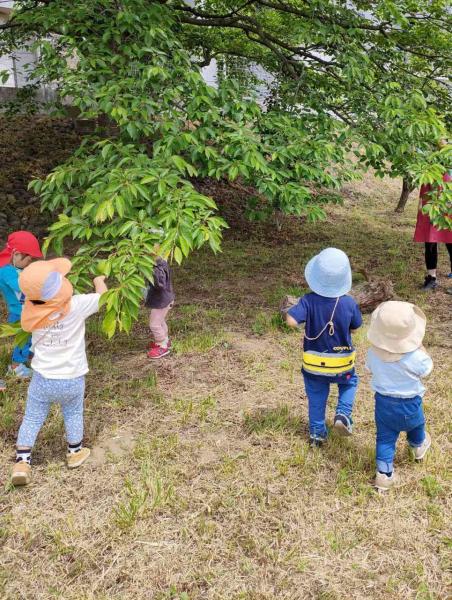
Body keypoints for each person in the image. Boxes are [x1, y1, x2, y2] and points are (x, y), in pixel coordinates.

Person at [11, 257, 107, 486]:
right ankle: (75, 452)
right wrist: (99, 280)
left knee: (32, 417)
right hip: (72, 378)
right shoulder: (76, 305)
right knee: (73, 413)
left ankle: (22, 462)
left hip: (42, 379)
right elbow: (103, 297)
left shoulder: (31, 312)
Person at [286, 248, 362, 446]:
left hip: (313, 366)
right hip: (341, 364)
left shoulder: (307, 300)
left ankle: (317, 434)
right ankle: (343, 414)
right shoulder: (349, 303)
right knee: (350, 383)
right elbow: (356, 327)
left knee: (316, 397)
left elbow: (291, 321)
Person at [366, 301, 432, 492]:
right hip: (410, 404)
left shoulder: (372, 353)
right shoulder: (416, 357)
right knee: (417, 425)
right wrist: (422, 349)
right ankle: (417, 446)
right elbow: (427, 370)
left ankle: (384, 475)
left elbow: (369, 369)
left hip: (383, 404)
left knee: (385, 439)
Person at [0, 231, 43, 389]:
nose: (29, 263)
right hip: (20, 314)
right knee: (23, 341)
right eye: (28, 260)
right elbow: (22, 286)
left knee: (32, 338)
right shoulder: (6, 271)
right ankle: (16, 367)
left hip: (27, 311)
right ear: (16, 254)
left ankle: (29, 359)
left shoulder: (14, 267)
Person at [414, 154, 452, 290]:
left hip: (448, 205)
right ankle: (431, 278)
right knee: (430, 243)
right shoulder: (427, 161)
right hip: (430, 204)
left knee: (451, 243)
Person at [145, 248, 175, 359]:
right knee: (160, 321)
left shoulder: (158, 268)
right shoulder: (161, 263)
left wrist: (151, 271)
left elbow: (160, 284)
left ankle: (162, 344)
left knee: (154, 324)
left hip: (162, 301)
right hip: (163, 300)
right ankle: (165, 340)